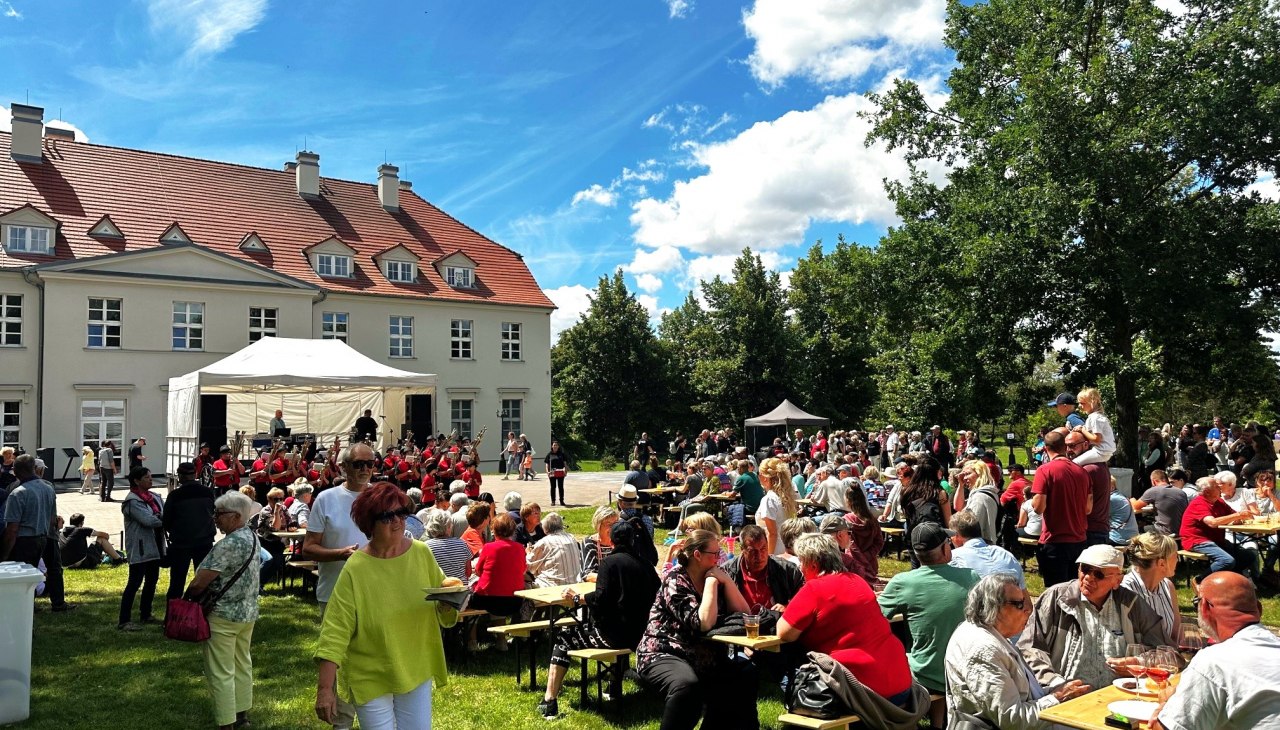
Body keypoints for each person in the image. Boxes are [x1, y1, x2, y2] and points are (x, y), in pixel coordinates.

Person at [315, 483, 457, 729]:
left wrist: (450, 602)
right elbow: (335, 631)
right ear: (369, 523)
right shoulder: (356, 567)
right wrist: (325, 689)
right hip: (369, 672)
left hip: (415, 665)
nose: (397, 522)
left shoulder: (422, 554)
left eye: (401, 514)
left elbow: (444, 606)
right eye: (387, 516)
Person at [779, 533, 927, 721]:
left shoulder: (814, 588)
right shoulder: (857, 581)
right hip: (901, 684)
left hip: (863, 690)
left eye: (801, 562)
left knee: (782, 660)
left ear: (813, 565)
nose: (799, 567)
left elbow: (784, 633)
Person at [537, 519, 661, 718]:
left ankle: (549, 700)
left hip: (615, 636)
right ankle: (613, 688)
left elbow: (602, 597)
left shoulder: (609, 563)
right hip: (641, 635)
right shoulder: (646, 566)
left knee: (564, 638)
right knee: (611, 629)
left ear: (611, 541)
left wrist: (578, 598)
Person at [637, 529, 758, 730]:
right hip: (665, 652)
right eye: (715, 554)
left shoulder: (719, 575)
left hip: (705, 656)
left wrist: (726, 581)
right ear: (697, 555)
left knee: (745, 674)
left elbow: (745, 616)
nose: (720, 558)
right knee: (687, 686)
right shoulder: (676, 580)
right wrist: (712, 582)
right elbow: (702, 622)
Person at [945, 573, 1090, 730]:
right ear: (996, 607)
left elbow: (1022, 693)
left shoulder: (988, 633)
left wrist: (1055, 691)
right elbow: (1012, 719)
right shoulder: (984, 650)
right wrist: (1058, 697)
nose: (1028, 609)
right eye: (1019, 604)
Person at [1018, 544, 1166, 690]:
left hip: (1120, 695)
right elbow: (1029, 648)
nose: (1088, 577)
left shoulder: (1131, 603)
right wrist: (1055, 683)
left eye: (1098, 574)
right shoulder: (1057, 598)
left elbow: (1167, 652)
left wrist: (1139, 661)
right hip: (1065, 698)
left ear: (1117, 581)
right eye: (1085, 569)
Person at [300, 443, 374, 730]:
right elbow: (308, 548)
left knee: (369, 659)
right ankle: (342, 721)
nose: (365, 469)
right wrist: (341, 554)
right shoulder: (327, 499)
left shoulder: (380, 497)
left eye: (370, 463)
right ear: (344, 467)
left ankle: (373, 716)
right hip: (335, 592)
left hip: (375, 594)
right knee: (337, 660)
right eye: (358, 464)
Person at [878, 523, 979, 726]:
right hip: (965, 671)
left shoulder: (902, 583)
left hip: (926, 673)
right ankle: (937, 722)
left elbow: (875, 617)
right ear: (944, 549)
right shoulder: (972, 578)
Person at [1151, 572, 1280, 730]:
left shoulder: (1214, 661)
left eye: (1196, 601)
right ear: (1259, 609)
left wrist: (1167, 704)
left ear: (1204, 607)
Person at [185, 490, 261, 730]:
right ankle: (242, 716)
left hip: (223, 615)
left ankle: (226, 723)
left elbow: (199, 582)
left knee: (221, 672)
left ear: (236, 517)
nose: (215, 518)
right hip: (247, 613)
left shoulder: (228, 544)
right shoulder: (251, 536)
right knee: (242, 665)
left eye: (219, 514)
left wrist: (188, 597)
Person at [1, 454, 73, 612]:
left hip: (25, 539)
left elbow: (12, 528)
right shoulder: (48, 488)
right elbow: (53, 517)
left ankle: (26, 606)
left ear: (17, 471)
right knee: (53, 569)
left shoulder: (18, 493)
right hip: (46, 535)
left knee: (24, 575)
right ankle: (58, 603)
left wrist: (5, 554)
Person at [1032, 431, 1091, 587]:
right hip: (1079, 540)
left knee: (1055, 592)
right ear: (1065, 446)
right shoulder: (1083, 472)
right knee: (1075, 590)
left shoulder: (1044, 470)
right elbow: (1088, 509)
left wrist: (1033, 502)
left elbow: (1038, 508)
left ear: (1045, 448)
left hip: (1055, 541)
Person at [1179, 474, 1259, 582]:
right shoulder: (1199, 503)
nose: (1219, 487)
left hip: (1216, 540)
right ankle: (1200, 580)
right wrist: (1238, 516)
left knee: (1249, 556)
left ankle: (1230, 580)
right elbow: (1212, 522)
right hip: (1197, 540)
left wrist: (1239, 518)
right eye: (1216, 486)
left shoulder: (1219, 501)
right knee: (1227, 560)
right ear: (1207, 492)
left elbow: (1234, 515)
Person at [469, 513, 527, 648]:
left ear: (494, 530)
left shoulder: (488, 547)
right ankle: (503, 641)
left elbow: (478, 570)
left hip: (488, 599)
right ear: (512, 530)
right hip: (514, 600)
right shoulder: (519, 548)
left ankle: (471, 642)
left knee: (468, 602)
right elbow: (523, 570)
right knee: (499, 592)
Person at [119, 466, 165, 629]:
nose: (150, 479)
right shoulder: (132, 501)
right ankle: (124, 620)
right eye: (147, 477)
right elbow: (148, 521)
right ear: (136, 481)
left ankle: (146, 614)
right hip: (140, 548)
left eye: (151, 476)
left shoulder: (155, 497)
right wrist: (163, 519)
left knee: (152, 581)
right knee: (134, 583)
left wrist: (161, 517)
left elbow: (164, 513)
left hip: (155, 546)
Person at [163, 461, 216, 601]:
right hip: (204, 542)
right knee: (204, 581)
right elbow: (213, 513)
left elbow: (166, 522)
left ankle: (172, 617)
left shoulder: (175, 495)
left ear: (180, 476)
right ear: (195, 475)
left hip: (181, 543)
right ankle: (203, 613)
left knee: (177, 583)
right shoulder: (208, 492)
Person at [723, 524, 805, 611]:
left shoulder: (787, 570)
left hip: (776, 622)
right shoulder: (727, 572)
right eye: (752, 551)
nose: (759, 556)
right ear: (742, 549)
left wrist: (787, 607)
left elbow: (805, 599)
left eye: (763, 549)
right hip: (740, 622)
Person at [1120, 531, 1182, 646]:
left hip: (1166, 660)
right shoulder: (1125, 591)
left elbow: (1176, 634)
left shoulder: (1168, 586)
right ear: (1162, 563)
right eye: (1175, 556)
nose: (1177, 560)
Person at [899, 454, 951, 567]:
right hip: (935, 541)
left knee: (916, 569)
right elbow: (948, 522)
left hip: (914, 538)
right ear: (936, 472)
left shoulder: (907, 492)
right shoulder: (940, 494)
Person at [950, 509, 1024, 585]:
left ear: (956, 535)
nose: (950, 539)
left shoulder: (953, 558)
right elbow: (1024, 594)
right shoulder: (1007, 555)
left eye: (950, 536)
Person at [841, 480, 884, 583]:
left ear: (849, 501)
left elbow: (852, 546)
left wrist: (861, 559)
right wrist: (868, 555)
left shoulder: (846, 520)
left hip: (852, 565)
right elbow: (879, 542)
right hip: (871, 564)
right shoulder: (872, 520)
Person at [754, 457, 797, 556]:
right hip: (787, 547)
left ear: (764, 477)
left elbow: (772, 533)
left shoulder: (769, 499)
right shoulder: (785, 496)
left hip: (774, 549)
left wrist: (769, 558)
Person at [527, 512, 582, 588]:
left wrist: (528, 553)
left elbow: (530, 567)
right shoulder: (571, 538)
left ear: (545, 528)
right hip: (575, 583)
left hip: (552, 586)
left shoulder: (545, 542)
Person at [1131, 469, 1189, 537]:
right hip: (1181, 531)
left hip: (1163, 532)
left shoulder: (1153, 491)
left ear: (1153, 481)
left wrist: (1132, 499)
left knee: (1138, 529)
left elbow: (1136, 506)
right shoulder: (1181, 492)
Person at [420, 509, 471, 582]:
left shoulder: (426, 546)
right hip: (460, 587)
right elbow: (468, 572)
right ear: (449, 527)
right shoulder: (462, 544)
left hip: (438, 589)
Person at [59, 513, 125, 568]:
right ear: (81, 523)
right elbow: (105, 535)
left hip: (66, 565)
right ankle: (118, 560)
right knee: (101, 539)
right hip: (82, 563)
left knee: (92, 545)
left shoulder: (62, 533)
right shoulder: (81, 530)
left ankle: (111, 557)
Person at [1071, 387, 1115, 465]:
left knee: (1074, 464)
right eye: (1079, 403)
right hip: (1101, 451)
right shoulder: (1094, 417)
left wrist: (1082, 430)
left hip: (1101, 451)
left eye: (1082, 403)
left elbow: (1097, 439)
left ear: (1092, 402)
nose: (1080, 406)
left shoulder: (1095, 418)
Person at [580, 506, 618, 581]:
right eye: (609, 524)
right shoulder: (590, 543)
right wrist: (613, 579)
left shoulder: (619, 541)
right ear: (598, 526)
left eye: (615, 524)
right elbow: (587, 574)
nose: (613, 528)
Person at [544, 440, 568, 506]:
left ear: (558, 446)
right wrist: (547, 472)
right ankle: (553, 501)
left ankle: (561, 501)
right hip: (552, 472)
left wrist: (566, 471)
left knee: (561, 487)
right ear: (552, 446)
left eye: (556, 445)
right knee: (553, 487)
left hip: (560, 472)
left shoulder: (561, 454)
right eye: (554, 445)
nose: (555, 446)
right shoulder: (549, 454)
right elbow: (547, 464)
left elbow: (565, 463)